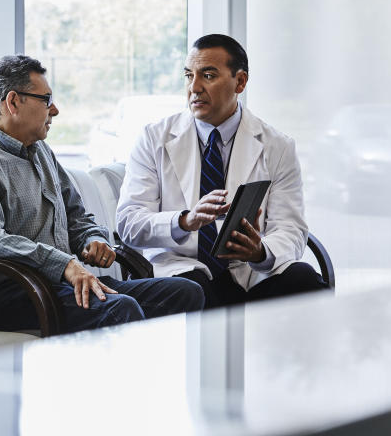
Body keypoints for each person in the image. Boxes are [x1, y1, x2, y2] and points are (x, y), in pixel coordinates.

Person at [0, 54, 204, 333]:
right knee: (121, 309)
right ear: (13, 102)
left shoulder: (40, 152)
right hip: (4, 298)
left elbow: (76, 216)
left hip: (58, 286)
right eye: (47, 100)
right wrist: (62, 264)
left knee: (186, 293)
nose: (55, 111)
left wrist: (92, 239)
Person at [116, 34, 328, 309]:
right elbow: (128, 222)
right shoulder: (154, 138)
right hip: (183, 270)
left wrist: (261, 250)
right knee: (194, 292)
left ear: (240, 82)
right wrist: (184, 221)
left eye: (208, 75)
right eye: (188, 76)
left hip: (251, 273)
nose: (194, 88)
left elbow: (291, 229)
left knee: (306, 281)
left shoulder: (277, 146)